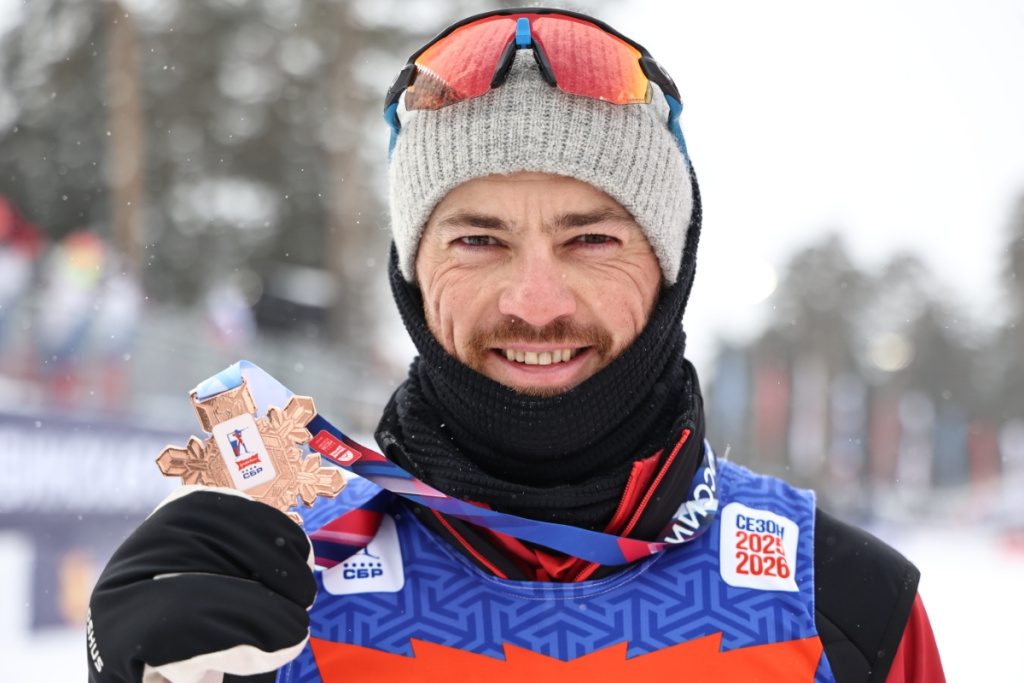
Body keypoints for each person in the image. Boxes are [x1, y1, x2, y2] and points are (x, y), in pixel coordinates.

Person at [88, 8, 945, 682]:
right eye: (478, 240)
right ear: (412, 273)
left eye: (592, 239)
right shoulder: (272, 580)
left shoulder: (844, 599)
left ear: (671, 267)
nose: (536, 304)